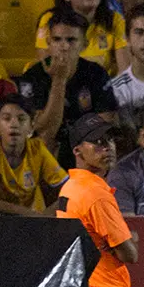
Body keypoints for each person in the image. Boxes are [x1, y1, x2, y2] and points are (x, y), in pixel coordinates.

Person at [19, 9, 117, 169]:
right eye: (57, 40)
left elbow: (105, 119)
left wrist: (76, 138)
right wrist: (59, 80)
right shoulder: (33, 76)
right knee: (44, 142)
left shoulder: (96, 74)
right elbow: (42, 128)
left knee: (104, 144)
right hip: (47, 145)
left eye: (71, 40)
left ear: (84, 44)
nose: (64, 46)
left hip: (84, 144)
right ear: (49, 43)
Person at [56, 113, 138, 287]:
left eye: (110, 140)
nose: (108, 147)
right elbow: (130, 254)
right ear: (78, 151)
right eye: (98, 141)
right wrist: (131, 238)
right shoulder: (96, 195)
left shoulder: (70, 186)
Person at [0, 94, 69, 216]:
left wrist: (46, 215)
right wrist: (27, 213)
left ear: (31, 127)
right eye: (7, 118)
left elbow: (70, 192)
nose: (14, 124)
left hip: (25, 223)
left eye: (21, 119)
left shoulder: (38, 150)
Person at [35, 0, 129, 77]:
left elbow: (125, 71)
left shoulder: (115, 19)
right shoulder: (50, 20)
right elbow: (46, 69)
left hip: (104, 88)